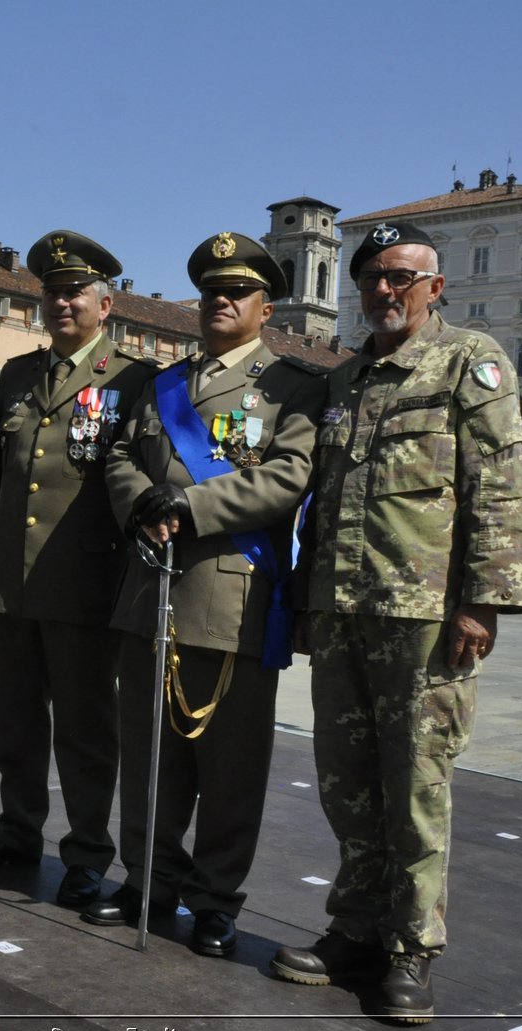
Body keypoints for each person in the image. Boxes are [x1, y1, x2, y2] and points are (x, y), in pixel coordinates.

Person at [274, 221, 522, 1023]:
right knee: (348, 784)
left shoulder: (469, 361)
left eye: (399, 276)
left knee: (417, 786)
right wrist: (304, 598)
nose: (383, 290)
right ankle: (356, 926)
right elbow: (323, 500)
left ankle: (411, 949)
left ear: (435, 286)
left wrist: (482, 600)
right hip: (344, 607)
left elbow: (498, 483)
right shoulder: (347, 377)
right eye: (371, 277)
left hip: (424, 618)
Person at [95, 232, 326, 958]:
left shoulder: (294, 386)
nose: (221, 302)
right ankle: (148, 880)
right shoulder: (165, 384)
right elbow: (123, 456)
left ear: (266, 306)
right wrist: (140, 501)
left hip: (234, 601)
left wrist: (185, 507)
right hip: (151, 594)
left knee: (231, 767)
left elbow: (287, 476)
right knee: (149, 756)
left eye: (238, 292)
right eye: (211, 293)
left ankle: (217, 898)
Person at [0, 231, 159, 911]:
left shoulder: (133, 380)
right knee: (15, 723)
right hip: (14, 579)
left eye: (75, 292)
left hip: (86, 583)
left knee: (84, 728)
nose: (62, 302)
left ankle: (87, 852)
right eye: (52, 291)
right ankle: (17, 830)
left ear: (107, 303)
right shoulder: (17, 375)